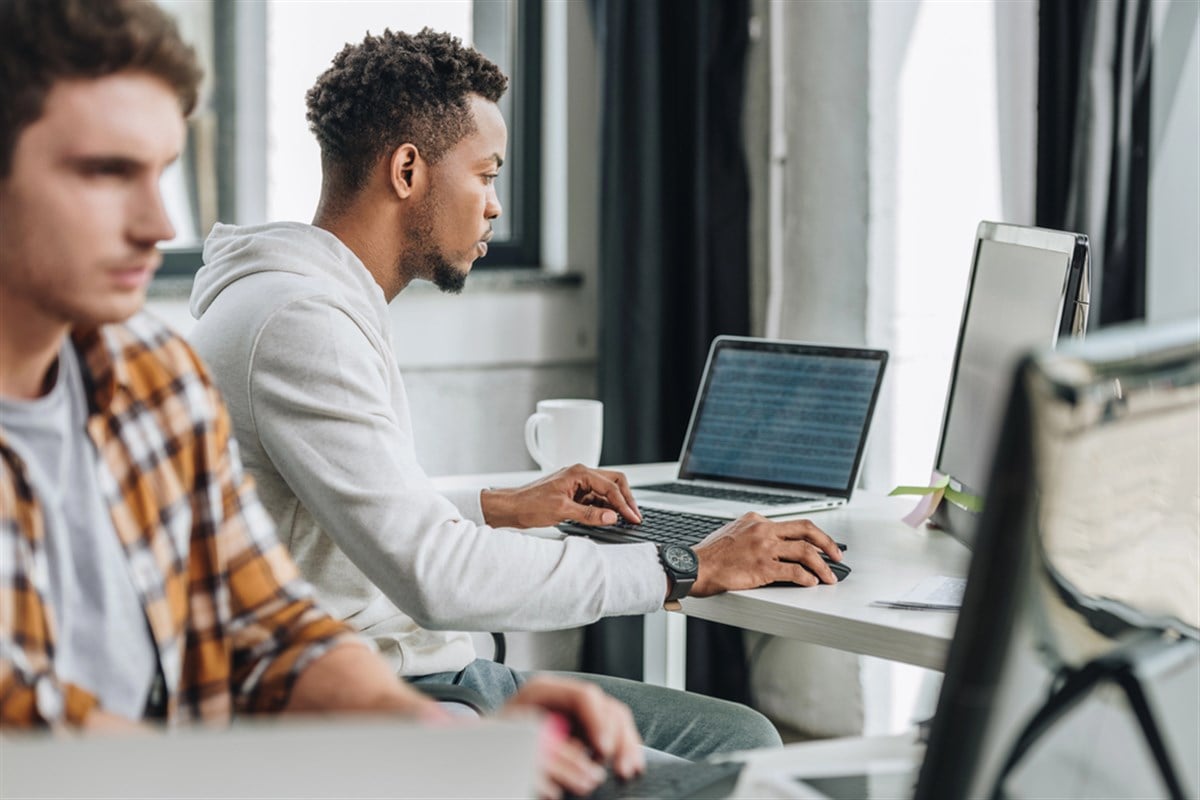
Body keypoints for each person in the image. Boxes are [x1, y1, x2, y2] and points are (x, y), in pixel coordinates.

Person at [0, 3, 645, 796]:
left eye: (160, 173)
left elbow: (273, 624)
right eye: (105, 173)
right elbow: (35, 741)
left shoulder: (153, 388)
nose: (157, 224)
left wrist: (428, 730)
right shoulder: (290, 320)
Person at [188, 27, 846, 760]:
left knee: (740, 736)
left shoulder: (303, 300)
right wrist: (686, 565)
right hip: (388, 702)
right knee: (732, 773)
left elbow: (346, 518)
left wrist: (498, 508)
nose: (496, 206)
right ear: (408, 170)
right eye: (486, 174)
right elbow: (436, 578)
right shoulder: (299, 323)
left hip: (433, 673)